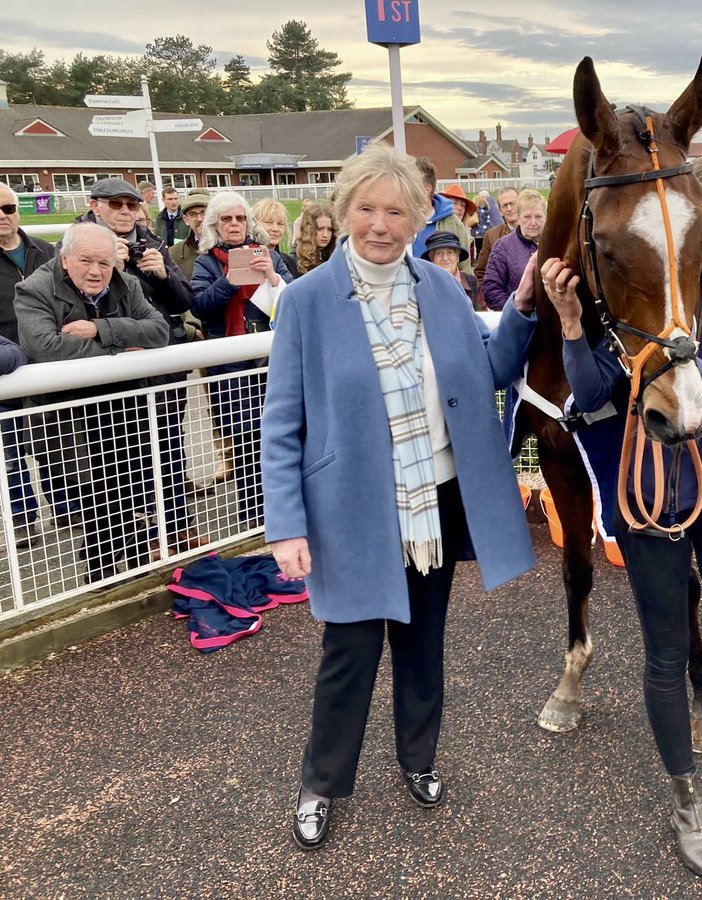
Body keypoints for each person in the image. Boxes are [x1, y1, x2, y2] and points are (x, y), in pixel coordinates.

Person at [261, 142, 537, 852]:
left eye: (396, 210)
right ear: (344, 211)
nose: (380, 224)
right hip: (352, 509)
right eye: (367, 208)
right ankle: (321, 782)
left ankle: (418, 759)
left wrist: (528, 311)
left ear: (418, 217)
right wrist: (285, 525)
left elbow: (488, 372)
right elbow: (283, 421)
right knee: (349, 651)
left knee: (423, 642)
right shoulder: (307, 300)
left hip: (435, 500)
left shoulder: (441, 288)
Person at [540, 155, 702, 898]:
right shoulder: (640, 291)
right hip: (645, 502)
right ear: (682, 214)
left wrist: (673, 353)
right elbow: (590, 395)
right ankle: (687, 803)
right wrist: (571, 327)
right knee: (661, 659)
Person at [14, 222, 170, 580]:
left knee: (128, 484)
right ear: (65, 259)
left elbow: (159, 331)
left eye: (104, 263)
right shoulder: (35, 289)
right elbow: (46, 347)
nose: (97, 271)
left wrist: (101, 329)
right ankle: (101, 570)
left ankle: (133, 560)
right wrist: (122, 342)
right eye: (86, 261)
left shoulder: (125, 282)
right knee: (90, 494)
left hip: (122, 406)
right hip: (67, 414)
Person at [74, 177, 201, 554]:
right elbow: (77, 309)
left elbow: (181, 301)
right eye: (116, 205)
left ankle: (176, 526)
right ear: (96, 206)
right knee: (114, 460)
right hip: (109, 371)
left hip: (160, 366)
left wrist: (161, 274)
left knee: (168, 449)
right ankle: (122, 542)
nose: (126, 212)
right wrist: (111, 267)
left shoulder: (152, 241)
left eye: (131, 205)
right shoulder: (77, 244)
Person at [191, 192, 293, 527]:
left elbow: (293, 299)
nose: (234, 225)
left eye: (239, 218)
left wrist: (273, 278)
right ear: (215, 225)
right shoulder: (206, 261)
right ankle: (253, 518)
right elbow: (199, 306)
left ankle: (282, 511)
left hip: (269, 359)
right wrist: (228, 282)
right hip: (230, 363)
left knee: (279, 436)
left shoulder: (269, 256)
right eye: (226, 219)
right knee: (245, 439)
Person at [0, 183, 58, 548]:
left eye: (7, 208)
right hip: (8, 367)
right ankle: (23, 517)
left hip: (50, 361)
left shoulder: (46, 250)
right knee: (13, 447)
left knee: (54, 439)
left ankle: (66, 505)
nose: (2, 218)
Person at [482, 188, 544, 311]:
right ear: (519, 218)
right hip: (519, 324)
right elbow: (491, 289)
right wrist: (515, 312)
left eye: (538, 216)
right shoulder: (503, 247)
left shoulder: (557, 244)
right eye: (527, 217)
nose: (533, 222)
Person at [411, 157, 472, 271]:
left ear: (427, 189)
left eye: (411, 185)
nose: (407, 189)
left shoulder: (454, 223)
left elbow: (464, 270)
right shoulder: (399, 221)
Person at [420, 231, 480, 308]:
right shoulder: (422, 285)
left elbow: (481, 316)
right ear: (432, 259)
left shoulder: (473, 283)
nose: (445, 258)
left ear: (457, 257)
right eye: (439, 253)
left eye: (450, 252)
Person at [473, 186, 519, 284]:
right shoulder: (491, 236)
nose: (509, 209)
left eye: (512, 204)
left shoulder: (536, 232)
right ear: (500, 210)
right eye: (505, 205)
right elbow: (481, 273)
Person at [168, 193, 210, 282]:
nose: (199, 219)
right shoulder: (175, 253)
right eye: (193, 214)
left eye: (204, 213)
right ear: (186, 220)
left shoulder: (230, 246)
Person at [252, 199, 296, 279]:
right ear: (254, 224)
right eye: (268, 222)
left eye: (280, 224)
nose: (275, 229)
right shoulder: (246, 259)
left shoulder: (290, 263)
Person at [291, 203, 337, 276]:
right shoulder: (293, 261)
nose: (325, 235)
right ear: (308, 229)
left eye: (329, 229)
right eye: (319, 229)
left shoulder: (336, 255)